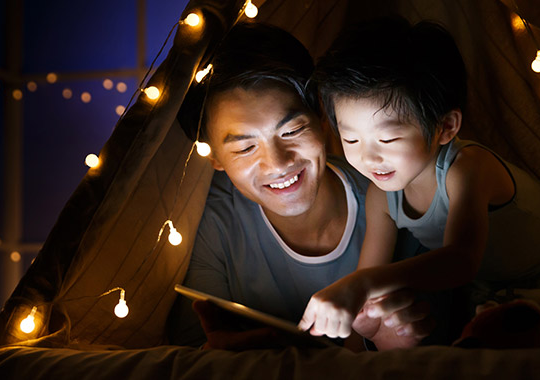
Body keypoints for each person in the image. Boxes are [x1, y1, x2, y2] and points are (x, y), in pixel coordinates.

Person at [298, 17, 540, 340]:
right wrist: (353, 305)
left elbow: (461, 261)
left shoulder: (467, 168)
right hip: (494, 290)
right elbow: (368, 276)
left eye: (388, 140)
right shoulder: (381, 197)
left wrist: (361, 285)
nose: (368, 158)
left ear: (446, 126)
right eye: (351, 141)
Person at [167, 21, 437, 351]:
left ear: (323, 118)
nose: (278, 163)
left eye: (292, 131)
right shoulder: (211, 224)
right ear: (215, 158)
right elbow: (192, 348)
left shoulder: (397, 197)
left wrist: (388, 344)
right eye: (244, 147)